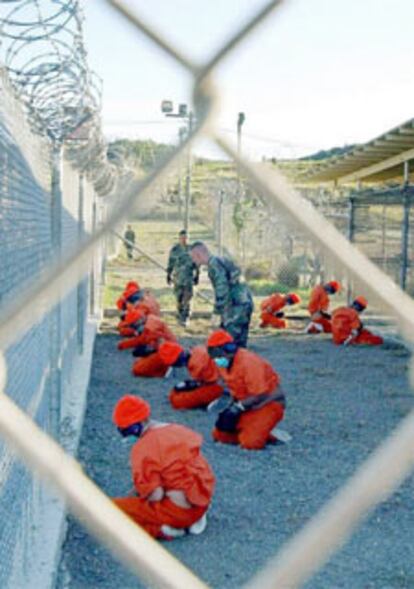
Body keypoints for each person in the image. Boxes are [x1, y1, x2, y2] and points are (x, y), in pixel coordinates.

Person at [112, 395, 215, 540]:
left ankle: (165, 529)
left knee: (112, 510)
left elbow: (156, 495)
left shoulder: (143, 448)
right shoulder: (178, 430)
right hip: (200, 504)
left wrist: (136, 497)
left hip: (177, 512)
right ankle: (192, 519)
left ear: (139, 423)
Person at [206, 330, 285, 450]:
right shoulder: (223, 362)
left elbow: (260, 394)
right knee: (220, 435)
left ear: (230, 349)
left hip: (267, 403)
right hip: (247, 404)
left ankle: (266, 433)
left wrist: (238, 408)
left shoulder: (249, 362)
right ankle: (256, 428)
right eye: (212, 353)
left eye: (216, 352)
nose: (215, 358)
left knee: (251, 443)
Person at [189, 242, 253, 347]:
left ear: (198, 255)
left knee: (230, 344)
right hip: (244, 303)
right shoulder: (220, 261)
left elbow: (222, 288)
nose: (193, 260)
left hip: (236, 307)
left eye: (193, 257)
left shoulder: (214, 265)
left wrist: (217, 312)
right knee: (240, 343)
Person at [158, 341, 224, 410]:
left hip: (220, 386)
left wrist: (191, 385)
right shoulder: (197, 350)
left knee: (177, 400)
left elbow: (212, 381)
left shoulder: (196, 365)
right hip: (221, 380)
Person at [118, 308, 178, 377]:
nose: (133, 328)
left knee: (137, 370)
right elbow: (142, 339)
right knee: (138, 363)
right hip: (167, 350)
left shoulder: (151, 328)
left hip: (166, 352)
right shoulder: (149, 321)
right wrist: (123, 345)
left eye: (133, 325)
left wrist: (148, 349)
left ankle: (164, 370)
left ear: (139, 320)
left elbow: (160, 343)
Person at [166, 229, 199, 327]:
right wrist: (168, 274)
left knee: (187, 298)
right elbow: (170, 263)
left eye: (186, 238)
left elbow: (197, 264)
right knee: (179, 298)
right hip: (178, 278)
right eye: (182, 238)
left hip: (189, 278)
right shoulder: (175, 250)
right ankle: (180, 315)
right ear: (179, 238)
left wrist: (197, 275)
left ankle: (186, 317)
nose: (184, 240)